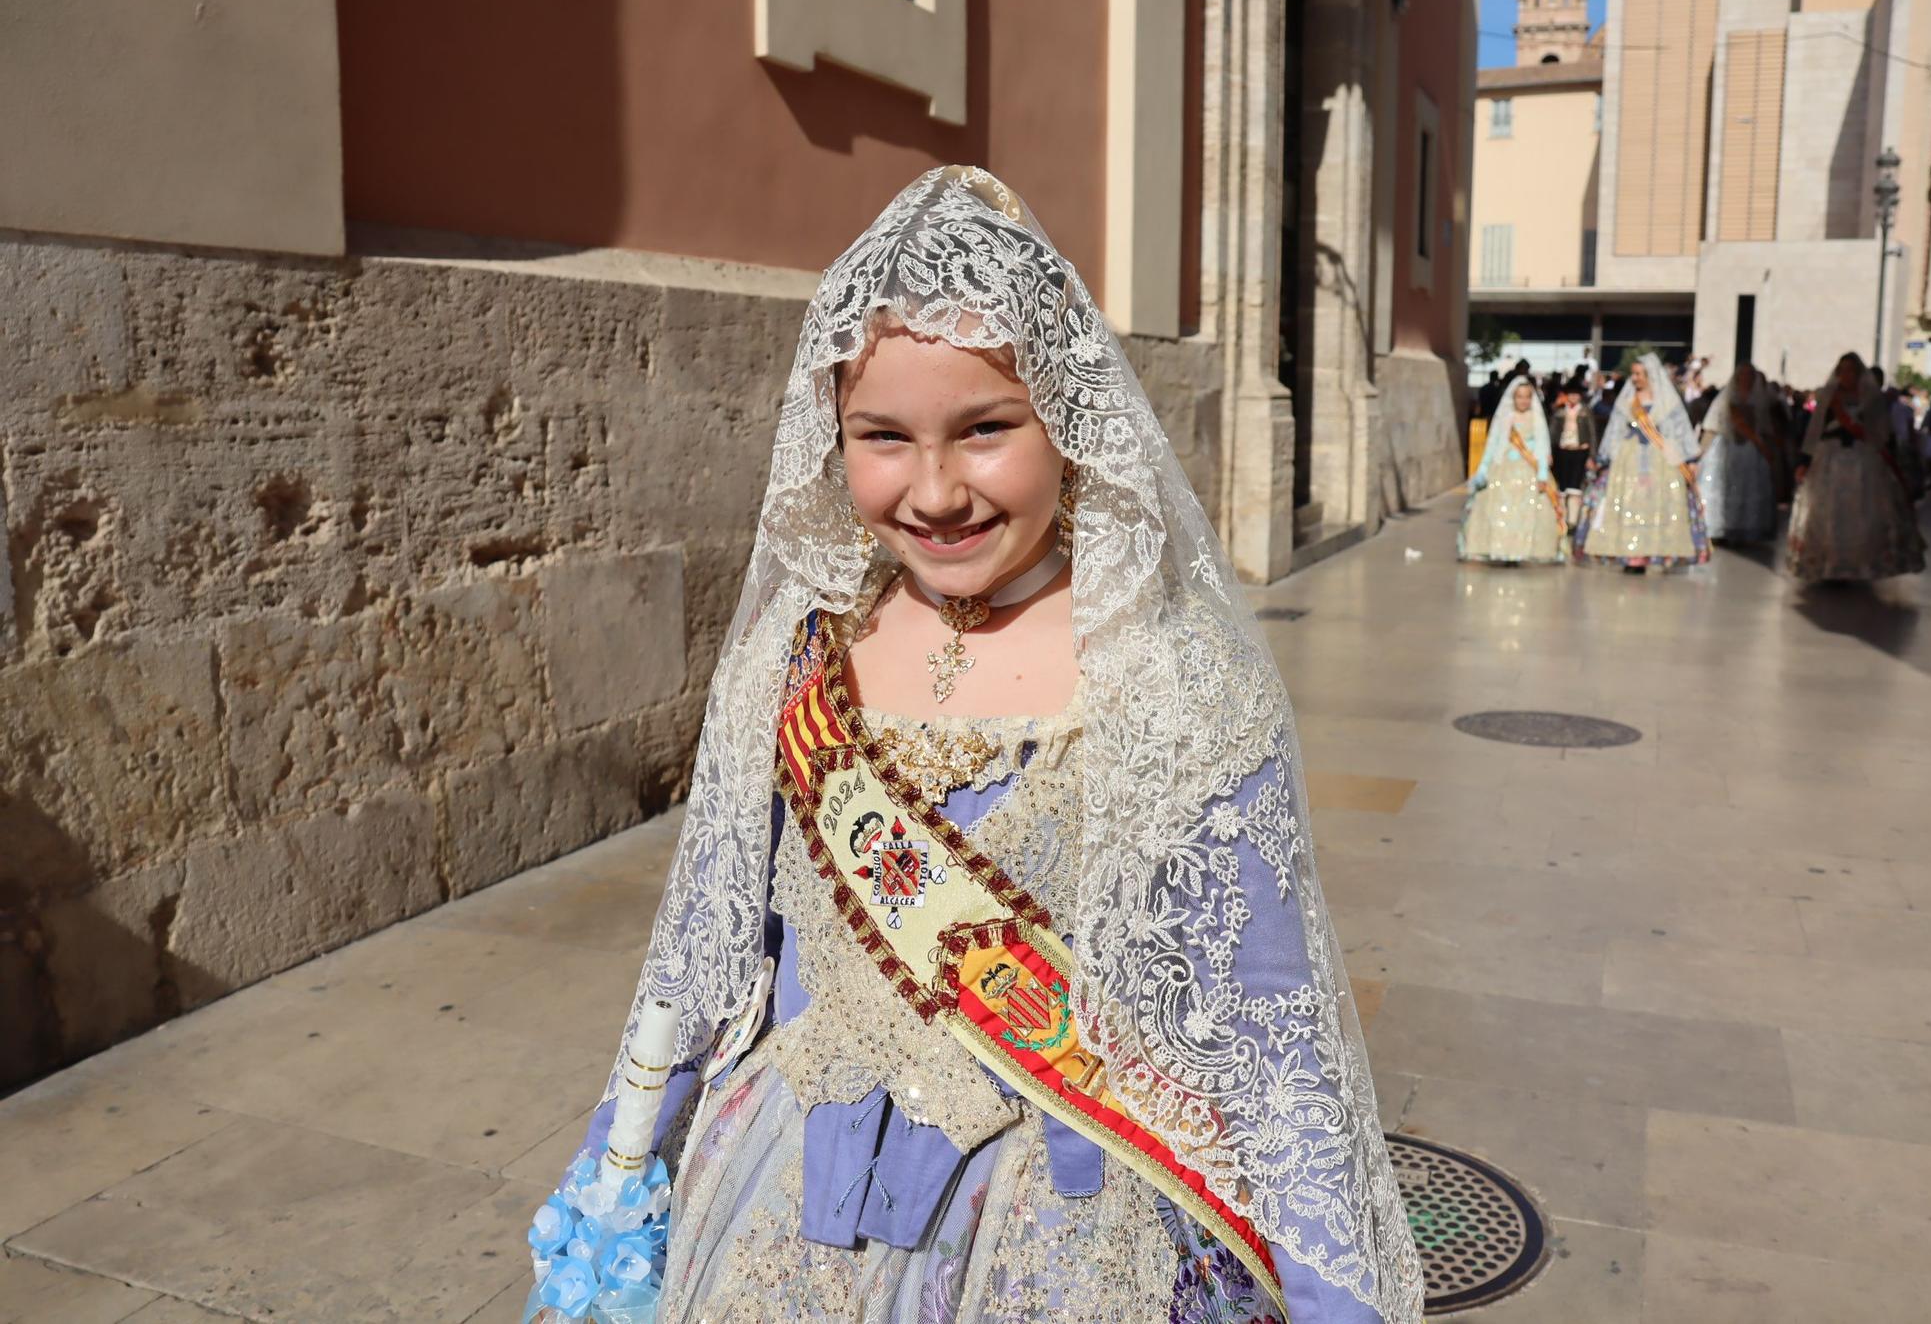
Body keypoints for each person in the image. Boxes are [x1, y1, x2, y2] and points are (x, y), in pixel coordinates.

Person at [525, 167, 1424, 1323]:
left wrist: (1332, 1302)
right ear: (831, 433)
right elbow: (702, 954)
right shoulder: (793, 658)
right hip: (776, 1205)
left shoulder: (1169, 680)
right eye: (882, 436)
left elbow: (1270, 1043)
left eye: (987, 430)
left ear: (1066, 418)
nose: (936, 489)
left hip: (1063, 1229)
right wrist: (618, 1163)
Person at [1787, 352, 1926, 584]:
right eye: (1843, 370)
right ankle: (1828, 564)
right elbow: (1814, 432)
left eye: (1851, 370)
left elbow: (1882, 433)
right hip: (1829, 459)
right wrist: (1803, 462)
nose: (1847, 375)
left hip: (1864, 460)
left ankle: (1858, 564)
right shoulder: (1828, 396)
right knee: (1826, 511)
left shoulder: (1870, 398)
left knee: (1863, 511)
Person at [1573, 353, 1710, 572]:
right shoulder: (1628, 401)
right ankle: (1630, 553)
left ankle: (1653, 551)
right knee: (1628, 502)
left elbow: (1680, 429)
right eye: (1633, 374)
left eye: (1638, 374)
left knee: (1657, 504)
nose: (1634, 378)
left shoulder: (1665, 401)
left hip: (1661, 459)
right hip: (1628, 459)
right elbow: (1615, 431)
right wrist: (1604, 458)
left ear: (1649, 375)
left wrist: (1689, 458)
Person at [1461, 375, 1568, 565]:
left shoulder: (1535, 418)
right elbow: (1493, 443)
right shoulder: (1505, 417)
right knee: (1499, 509)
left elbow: (1542, 445)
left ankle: (1520, 550)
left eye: (1527, 396)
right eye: (1519, 396)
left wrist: (1542, 473)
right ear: (1513, 398)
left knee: (1527, 512)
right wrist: (1484, 468)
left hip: (1528, 469)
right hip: (1503, 467)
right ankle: (1501, 548)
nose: (1523, 400)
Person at [1696, 362, 1783, 545]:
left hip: (1752, 452)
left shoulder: (1761, 400)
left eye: (1749, 376)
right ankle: (1720, 527)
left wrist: (1768, 448)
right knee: (1722, 487)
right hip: (1727, 448)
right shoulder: (1727, 398)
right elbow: (1712, 425)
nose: (1746, 379)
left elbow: (1767, 427)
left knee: (1749, 487)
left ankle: (1745, 528)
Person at [1549, 381, 1597, 528]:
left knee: (1575, 483)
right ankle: (1562, 516)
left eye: (1576, 394)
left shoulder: (1585, 412)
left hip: (1580, 450)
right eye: (1571, 394)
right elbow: (1552, 433)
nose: (1573, 397)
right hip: (1563, 450)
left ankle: (1573, 519)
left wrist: (1591, 456)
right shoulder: (1560, 412)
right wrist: (1549, 452)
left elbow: (1592, 434)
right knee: (1562, 484)